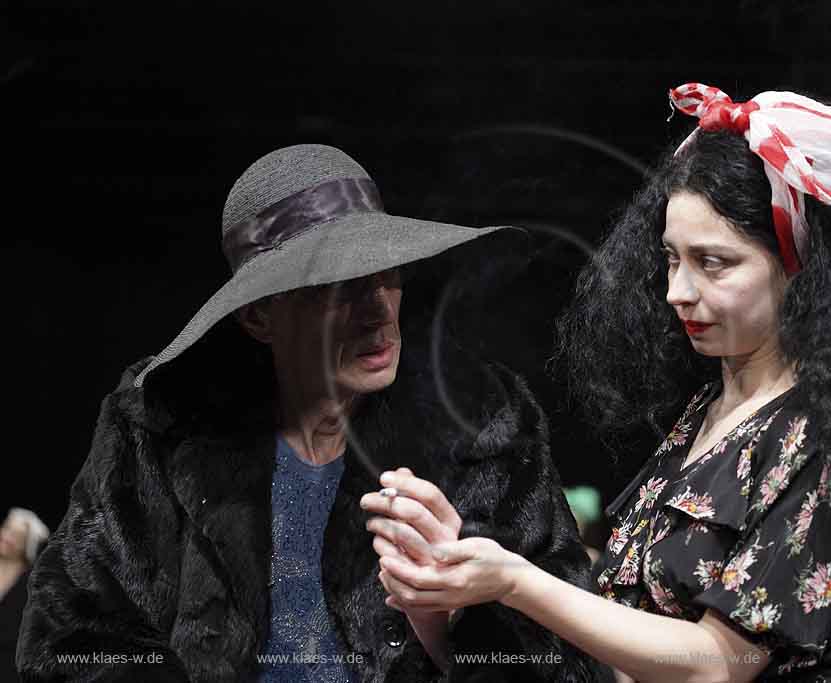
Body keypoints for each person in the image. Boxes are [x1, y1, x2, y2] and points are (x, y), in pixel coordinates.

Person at [360, 85, 831, 681]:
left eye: (714, 263)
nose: (678, 290)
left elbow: (718, 664)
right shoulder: (712, 411)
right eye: (672, 258)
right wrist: (452, 586)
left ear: (803, 270)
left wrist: (512, 579)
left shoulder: (826, 434)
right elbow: (625, 642)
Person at [16, 144, 610, 682]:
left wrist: (458, 615)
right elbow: (72, 643)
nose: (378, 311)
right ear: (260, 317)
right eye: (339, 288)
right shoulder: (160, 426)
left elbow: (570, 662)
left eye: (386, 275)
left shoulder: (480, 424)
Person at [1, 508, 49, 681]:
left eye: (17, 535)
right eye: (7, 529)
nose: (7, 537)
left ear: (27, 545)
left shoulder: (33, 582)